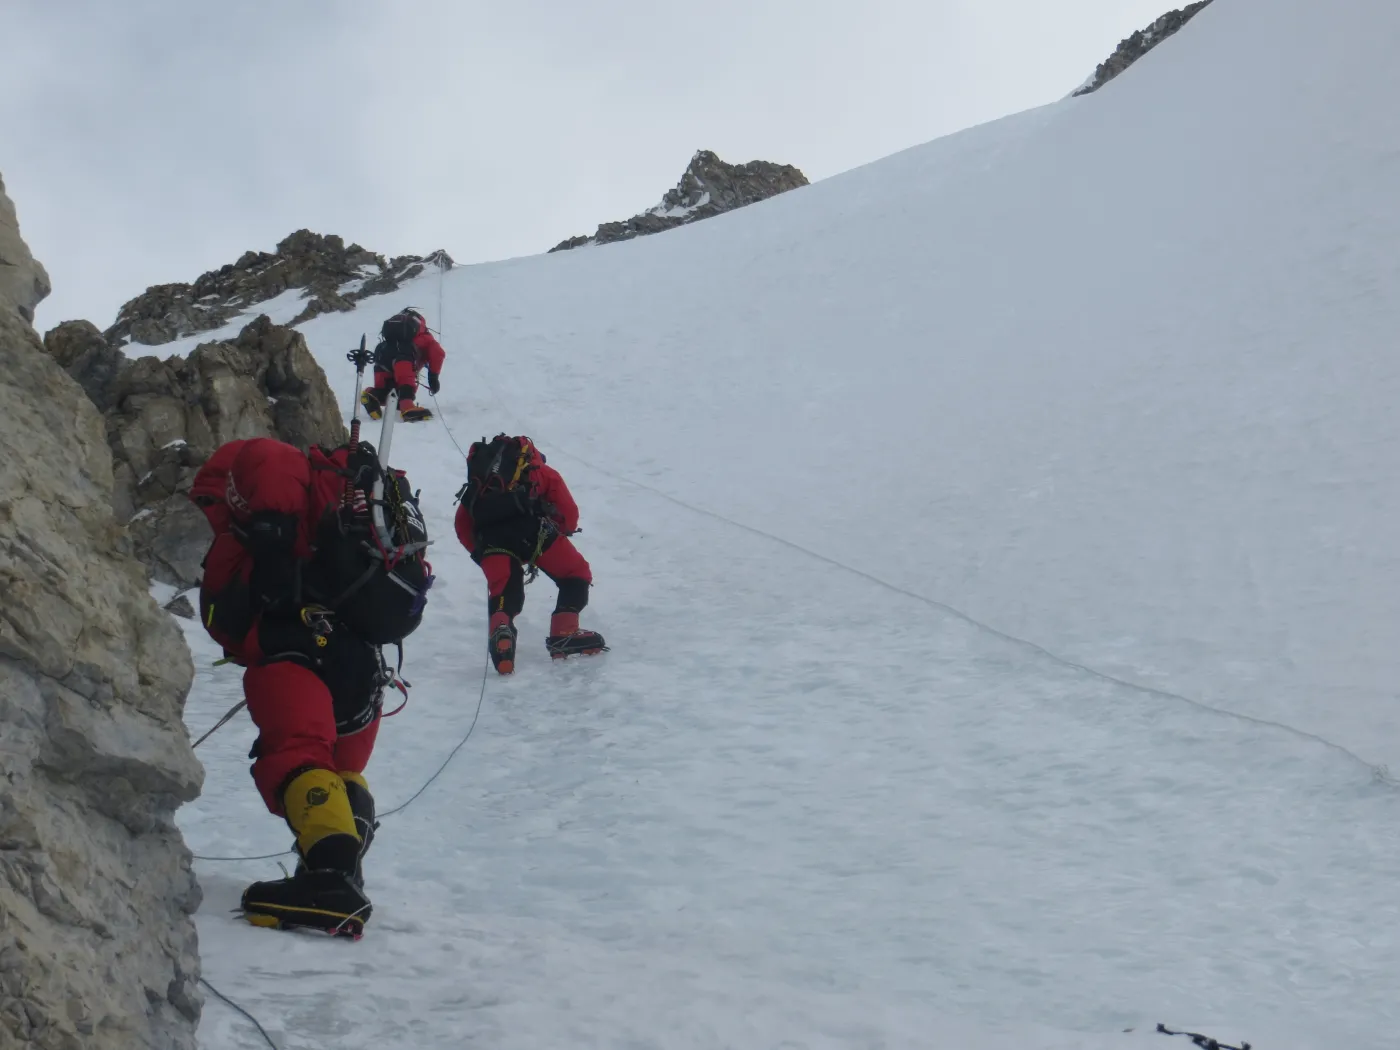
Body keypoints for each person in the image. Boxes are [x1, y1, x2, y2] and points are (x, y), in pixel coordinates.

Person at [190, 435, 431, 937]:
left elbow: (271, 460)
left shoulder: (259, 489)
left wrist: (269, 547)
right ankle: (340, 872)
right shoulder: (325, 518)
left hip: (297, 653)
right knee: (339, 771)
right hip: (361, 665)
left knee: (296, 755)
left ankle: (329, 882)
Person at [453, 434, 606, 674]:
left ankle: (502, 634)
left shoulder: (479, 483)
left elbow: (462, 525)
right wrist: (561, 531)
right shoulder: (538, 470)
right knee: (575, 573)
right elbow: (567, 511)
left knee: (504, 589)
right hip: (534, 534)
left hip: (491, 541)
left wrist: (481, 554)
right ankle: (564, 632)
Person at [360, 307, 445, 423]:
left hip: (382, 354)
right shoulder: (425, 336)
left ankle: (372, 394)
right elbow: (438, 353)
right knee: (406, 382)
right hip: (404, 357)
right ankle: (408, 408)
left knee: (388, 392)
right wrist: (433, 377)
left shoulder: (394, 335)